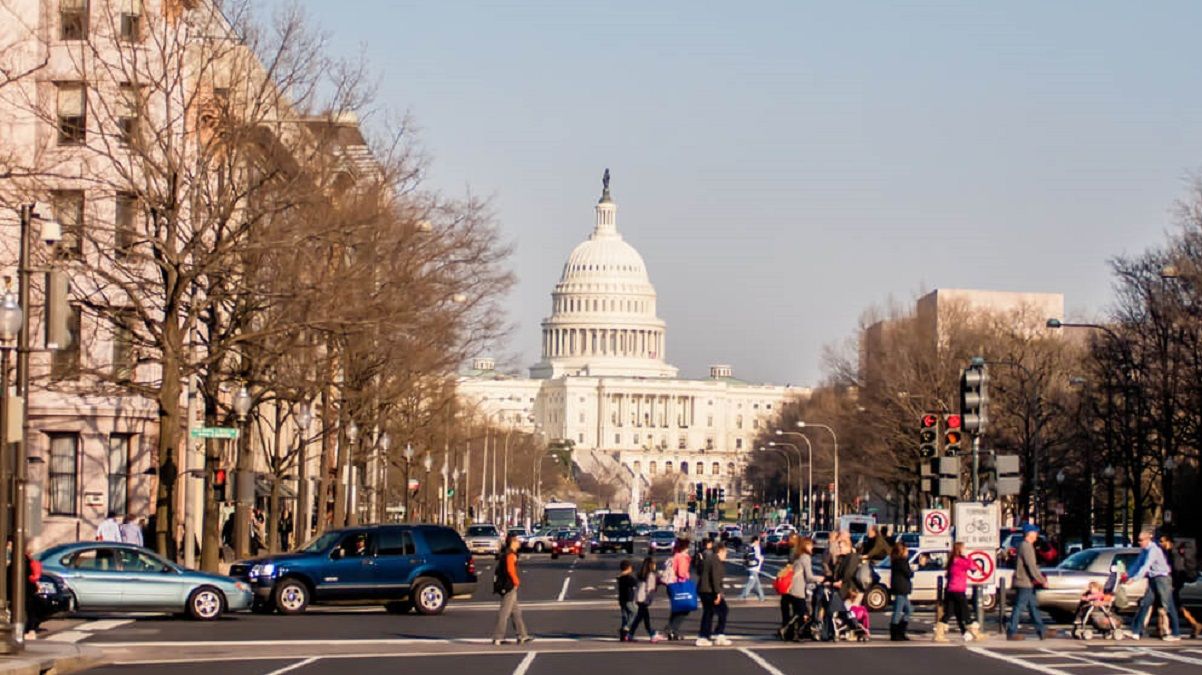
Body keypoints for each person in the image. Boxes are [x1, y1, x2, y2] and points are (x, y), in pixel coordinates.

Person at [1126, 529, 1181, 641]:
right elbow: (1137, 564)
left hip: (1162, 579)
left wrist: (1135, 579)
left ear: (1148, 539)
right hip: (1153, 578)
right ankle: (1136, 631)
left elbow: (1146, 565)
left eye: (1141, 540)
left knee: (1168, 604)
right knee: (1145, 603)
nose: (1139, 542)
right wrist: (1128, 575)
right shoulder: (1145, 551)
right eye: (1138, 540)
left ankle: (1176, 633)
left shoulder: (1153, 550)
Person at [1008, 523, 1048, 641]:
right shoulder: (1026, 547)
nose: (1036, 535)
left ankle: (1042, 630)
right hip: (1024, 581)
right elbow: (1031, 566)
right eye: (1035, 533)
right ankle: (1012, 631)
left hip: (1026, 582)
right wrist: (1041, 580)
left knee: (1033, 607)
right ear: (1029, 534)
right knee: (1019, 607)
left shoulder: (1024, 545)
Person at [492, 534, 532, 645]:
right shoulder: (510, 555)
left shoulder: (508, 553)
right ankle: (498, 637)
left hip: (507, 585)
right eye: (517, 540)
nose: (519, 542)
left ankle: (522, 635)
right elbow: (510, 570)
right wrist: (516, 581)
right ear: (512, 542)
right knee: (505, 612)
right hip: (509, 586)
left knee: (516, 612)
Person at [1161, 534, 1201, 638]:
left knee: (1172, 604)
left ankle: (1173, 629)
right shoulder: (1173, 552)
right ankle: (1193, 623)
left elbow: (1178, 570)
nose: (1161, 544)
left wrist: (1174, 584)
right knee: (1176, 605)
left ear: (1168, 542)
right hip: (1177, 581)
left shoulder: (1175, 554)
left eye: (1163, 542)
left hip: (1177, 582)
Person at [935, 542, 974, 642]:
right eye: (964, 548)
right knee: (965, 612)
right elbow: (972, 567)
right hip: (958, 590)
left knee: (951, 612)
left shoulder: (953, 560)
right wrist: (967, 557)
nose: (965, 550)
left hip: (951, 589)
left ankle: (941, 633)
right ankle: (974, 632)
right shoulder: (960, 561)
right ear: (959, 550)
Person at [696, 542, 731, 646]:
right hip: (710, 591)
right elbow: (715, 578)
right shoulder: (715, 561)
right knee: (723, 610)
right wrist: (718, 593)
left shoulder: (709, 559)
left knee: (709, 613)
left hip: (704, 590)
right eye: (725, 553)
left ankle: (705, 636)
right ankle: (717, 634)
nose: (726, 555)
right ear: (720, 551)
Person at [662, 538, 694, 641]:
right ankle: (670, 628)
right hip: (679, 585)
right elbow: (681, 573)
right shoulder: (682, 557)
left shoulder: (674, 556)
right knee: (685, 609)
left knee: (677, 609)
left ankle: (673, 632)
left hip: (671, 586)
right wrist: (687, 575)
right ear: (685, 547)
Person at [785, 536, 817, 637]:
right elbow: (809, 576)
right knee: (802, 611)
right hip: (798, 589)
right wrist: (821, 579)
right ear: (806, 545)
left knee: (797, 610)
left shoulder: (797, 555)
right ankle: (788, 629)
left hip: (791, 587)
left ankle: (793, 631)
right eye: (811, 545)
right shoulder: (806, 557)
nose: (812, 547)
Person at [632, 557, 661, 642]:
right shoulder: (651, 575)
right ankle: (652, 634)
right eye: (654, 564)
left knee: (639, 618)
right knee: (645, 619)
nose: (655, 566)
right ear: (651, 565)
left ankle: (630, 633)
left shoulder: (641, 574)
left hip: (639, 598)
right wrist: (649, 600)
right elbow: (650, 588)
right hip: (645, 599)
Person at [889, 541, 913, 641]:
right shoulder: (901, 561)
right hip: (901, 589)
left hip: (901, 589)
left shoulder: (896, 561)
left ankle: (901, 630)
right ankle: (895, 633)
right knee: (898, 611)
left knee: (909, 609)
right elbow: (908, 573)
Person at [617, 559, 638, 641]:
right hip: (628, 599)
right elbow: (635, 583)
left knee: (625, 616)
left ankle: (624, 636)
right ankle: (626, 629)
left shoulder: (620, 577)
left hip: (621, 599)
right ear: (628, 568)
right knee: (635, 612)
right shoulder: (628, 577)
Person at [739, 537, 765, 601]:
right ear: (755, 541)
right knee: (751, 582)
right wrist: (761, 558)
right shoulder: (756, 547)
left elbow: (746, 556)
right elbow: (757, 557)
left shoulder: (750, 546)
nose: (759, 542)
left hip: (751, 567)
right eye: (758, 540)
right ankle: (743, 595)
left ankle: (762, 597)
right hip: (754, 567)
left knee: (756, 583)